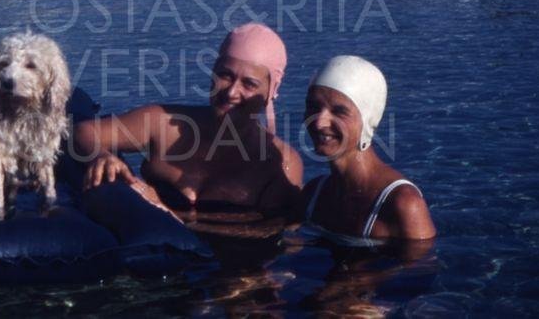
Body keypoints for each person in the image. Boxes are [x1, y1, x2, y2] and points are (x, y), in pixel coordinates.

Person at [74, 22, 302, 220]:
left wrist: (160, 209)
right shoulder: (163, 122)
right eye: (225, 75)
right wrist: (101, 156)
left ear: (271, 91)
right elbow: (84, 131)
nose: (231, 92)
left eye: (249, 84)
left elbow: (268, 233)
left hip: (231, 265)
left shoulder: (281, 164)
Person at [300, 55, 436, 244]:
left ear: (367, 121)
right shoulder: (314, 194)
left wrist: (368, 273)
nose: (320, 122)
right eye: (313, 106)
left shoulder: (403, 204)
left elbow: (423, 271)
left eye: (339, 111)